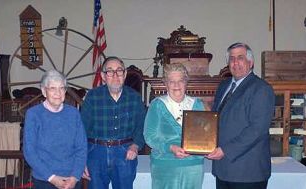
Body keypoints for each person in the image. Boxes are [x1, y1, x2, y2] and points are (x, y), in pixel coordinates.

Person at [206, 42, 275, 189]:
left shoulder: (261, 89)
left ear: (250, 62)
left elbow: (257, 130)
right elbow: (215, 120)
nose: (235, 62)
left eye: (240, 58)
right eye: (231, 58)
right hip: (223, 169)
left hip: (248, 173)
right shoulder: (224, 86)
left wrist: (225, 150)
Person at [80, 56, 146, 189]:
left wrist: (136, 145)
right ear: (103, 76)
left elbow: (142, 126)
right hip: (96, 154)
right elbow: (81, 130)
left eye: (119, 71)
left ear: (125, 74)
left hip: (125, 153)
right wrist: (81, 161)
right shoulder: (92, 97)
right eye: (110, 71)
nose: (115, 75)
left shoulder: (135, 98)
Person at [144, 63, 205, 189]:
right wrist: (170, 147)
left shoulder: (197, 104)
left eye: (180, 81)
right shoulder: (157, 105)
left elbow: (205, 135)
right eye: (172, 81)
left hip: (193, 166)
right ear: (166, 84)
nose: (176, 85)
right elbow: (149, 137)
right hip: (165, 166)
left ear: (186, 82)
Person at [23, 70, 87, 189]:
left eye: (61, 88)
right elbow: (29, 151)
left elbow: (82, 148)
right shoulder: (33, 114)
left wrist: (75, 177)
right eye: (52, 88)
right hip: (45, 179)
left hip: (72, 180)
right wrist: (52, 178)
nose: (58, 93)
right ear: (44, 91)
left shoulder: (73, 113)